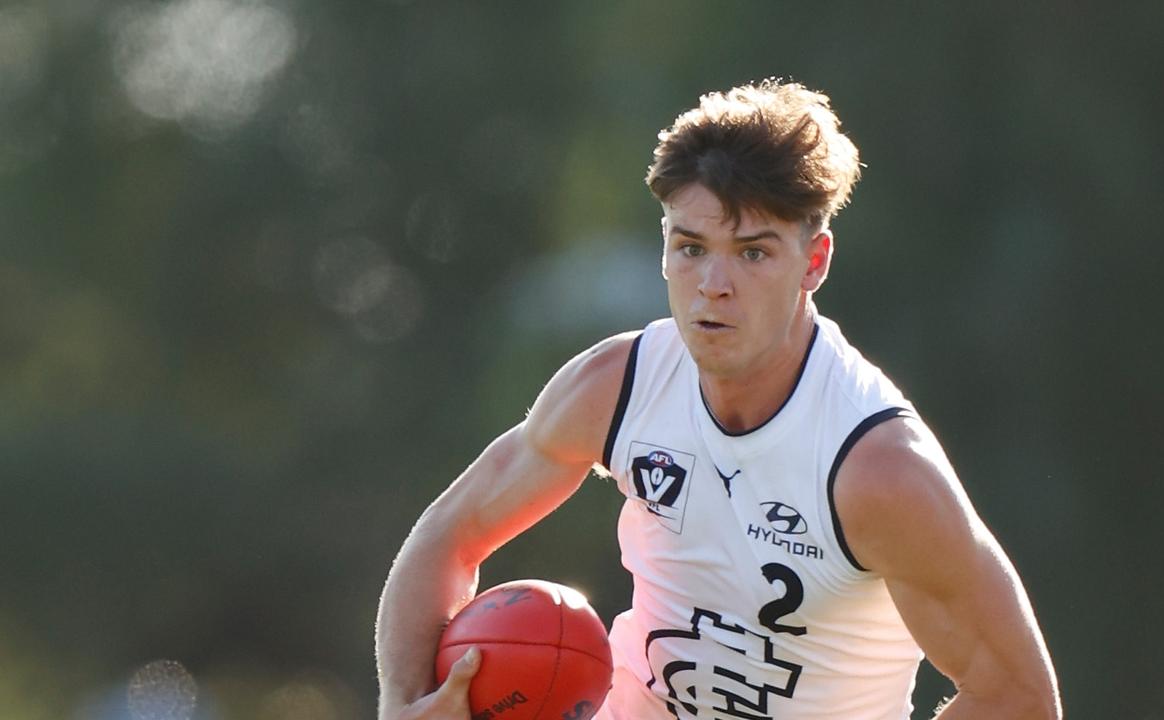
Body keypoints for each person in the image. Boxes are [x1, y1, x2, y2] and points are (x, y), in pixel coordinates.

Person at [375, 79, 1061, 720]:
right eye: (691, 247)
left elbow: (1019, 696)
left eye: (753, 253)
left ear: (814, 262)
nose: (713, 285)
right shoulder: (618, 386)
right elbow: (449, 535)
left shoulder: (876, 469)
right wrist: (407, 702)